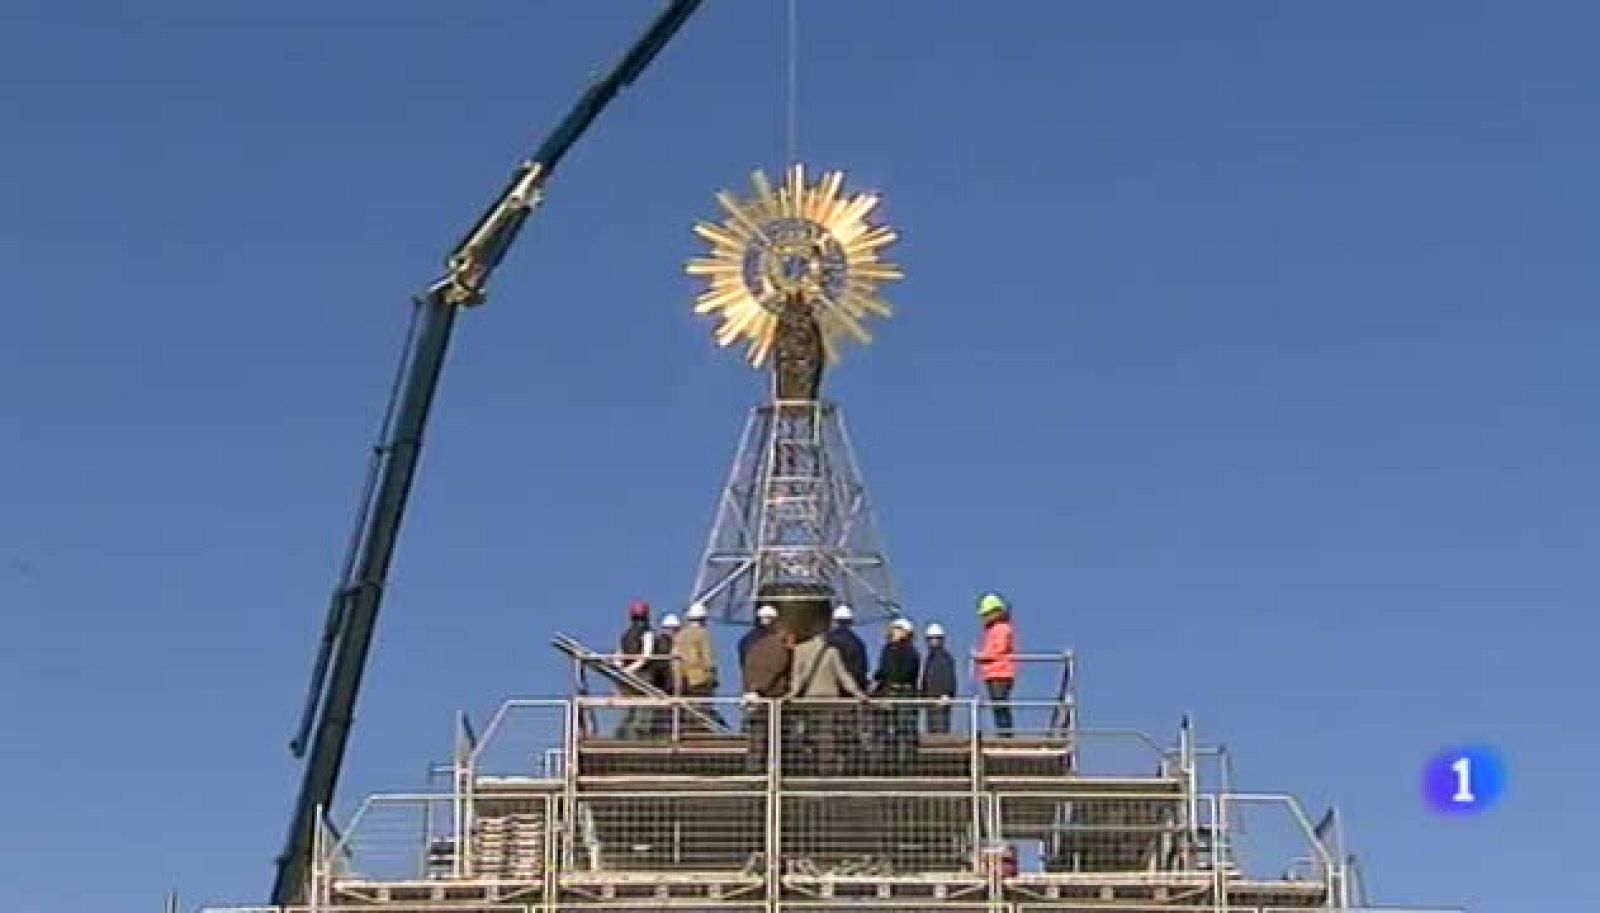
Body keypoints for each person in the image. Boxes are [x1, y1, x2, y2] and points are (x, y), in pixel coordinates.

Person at [789, 627, 869, 775]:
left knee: (810, 734)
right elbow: (843, 676)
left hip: (810, 700)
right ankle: (827, 769)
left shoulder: (800, 650)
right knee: (827, 736)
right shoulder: (831, 652)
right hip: (830, 698)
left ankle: (813, 767)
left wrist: (791, 696)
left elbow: (797, 678)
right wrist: (859, 694)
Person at [740, 621, 792, 773]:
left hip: (754, 698)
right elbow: (778, 667)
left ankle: (753, 771)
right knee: (773, 738)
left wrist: (750, 688)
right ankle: (773, 771)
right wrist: (761, 688)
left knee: (756, 738)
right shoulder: (779, 649)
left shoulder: (756, 646)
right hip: (770, 698)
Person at [872, 617, 921, 770]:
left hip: (898, 693)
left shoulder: (897, 650)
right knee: (897, 731)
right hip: (900, 693)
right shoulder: (910, 652)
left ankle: (897, 765)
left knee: (898, 731)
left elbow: (890, 671)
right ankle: (900, 764)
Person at [674, 602, 725, 730]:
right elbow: (708, 658)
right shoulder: (703, 634)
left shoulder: (679, 636)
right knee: (702, 712)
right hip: (701, 679)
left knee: (688, 711)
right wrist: (713, 677)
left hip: (684, 679)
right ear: (703, 619)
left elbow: (675, 658)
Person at [973, 592, 1017, 736]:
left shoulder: (1002, 628)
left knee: (1000, 704)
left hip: (1001, 673)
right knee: (997, 705)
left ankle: (1006, 734)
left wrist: (981, 657)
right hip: (993, 673)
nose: (984, 618)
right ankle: (1003, 732)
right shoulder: (993, 629)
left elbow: (998, 649)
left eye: (986, 614)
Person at [615, 600, 657, 739]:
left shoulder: (625, 635)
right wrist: (632, 669)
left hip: (627, 677)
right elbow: (646, 655)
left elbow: (618, 656)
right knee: (644, 709)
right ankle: (639, 735)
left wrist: (622, 671)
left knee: (630, 708)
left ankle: (624, 734)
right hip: (643, 675)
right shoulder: (647, 632)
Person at [920, 622, 958, 735]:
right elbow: (925, 678)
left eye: (936, 638)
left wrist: (947, 694)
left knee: (941, 727)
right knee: (931, 727)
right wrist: (923, 694)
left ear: (941, 640)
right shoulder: (929, 658)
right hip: (930, 698)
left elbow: (950, 677)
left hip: (941, 699)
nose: (933, 641)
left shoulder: (945, 657)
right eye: (930, 639)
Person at [827, 604, 870, 689]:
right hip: (850, 691)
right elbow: (861, 670)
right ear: (850, 622)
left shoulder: (825, 640)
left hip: (827, 688)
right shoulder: (858, 643)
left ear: (834, 621)